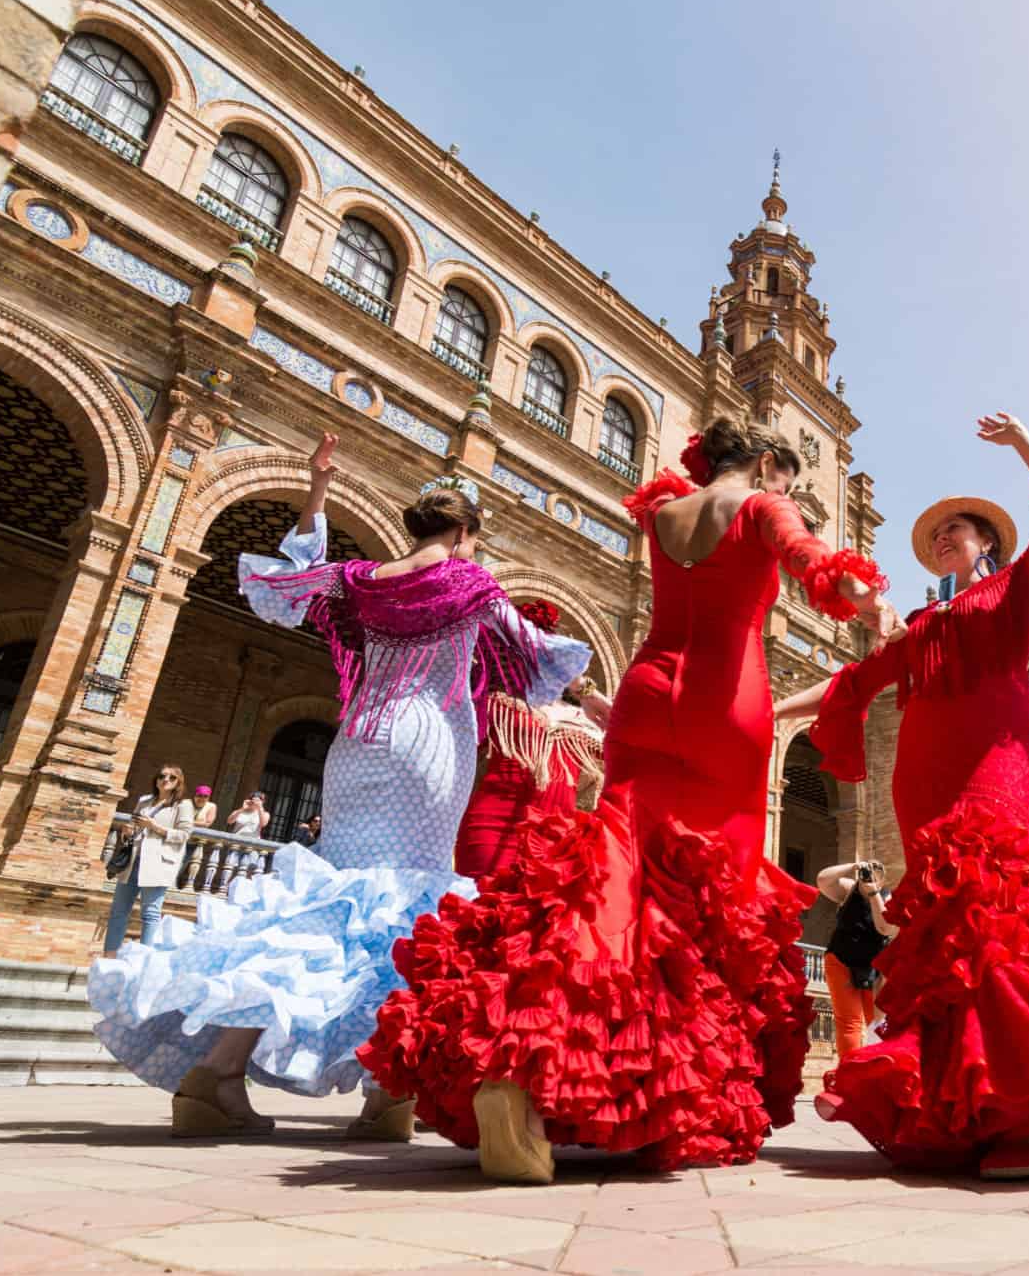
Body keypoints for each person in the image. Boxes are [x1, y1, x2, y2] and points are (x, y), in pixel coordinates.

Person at [362, 419, 896, 1183]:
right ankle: (656, 1087)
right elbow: (812, 560)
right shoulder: (761, 506)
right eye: (786, 480)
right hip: (725, 707)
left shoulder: (664, 512)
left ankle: (520, 1065)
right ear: (770, 465)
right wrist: (861, 595)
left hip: (647, 692)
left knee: (610, 877)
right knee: (709, 904)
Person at [88, 433, 591, 1141]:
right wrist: (591, 699)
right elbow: (531, 653)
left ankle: (218, 1073)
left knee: (326, 902)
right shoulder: (470, 582)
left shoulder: (362, 580)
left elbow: (294, 577)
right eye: (474, 538)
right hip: (426, 745)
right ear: (465, 532)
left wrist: (318, 488)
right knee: (410, 909)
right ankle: (386, 1094)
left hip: (355, 744)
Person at [778, 412, 1029, 1177]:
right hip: (921, 784)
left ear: (987, 543)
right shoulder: (924, 621)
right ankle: (974, 1109)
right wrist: (766, 710)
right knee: (948, 944)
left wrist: (1025, 438)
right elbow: (851, 684)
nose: (943, 541)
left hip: (997, 765)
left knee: (988, 915)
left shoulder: (1016, 589)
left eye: (957, 531)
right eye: (936, 536)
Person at [454, 609, 613, 879]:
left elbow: (634, 742)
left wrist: (586, 690)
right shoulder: (498, 704)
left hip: (555, 843)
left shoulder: (585, 722)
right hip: (490, 826)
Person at [103, 766, 196, 956]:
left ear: (179, 782)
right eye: (162, 776)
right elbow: (133, 825)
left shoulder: (182, 805)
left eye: (172, 778)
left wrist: (154, 827)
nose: (165, 780)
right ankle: (109, 956)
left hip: (158, 863)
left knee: (150, 913)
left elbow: (184, 835)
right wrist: (127, 831)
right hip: (133, 861)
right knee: (118, 911)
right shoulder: (144, 801)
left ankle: (144, 959)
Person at [817, 859, 897, 1059]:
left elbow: (884, 927)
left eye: (875, 872)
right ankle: (849, 1071)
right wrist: (853, 866)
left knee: (877, 1021)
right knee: (849, 1022)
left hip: (874, 967)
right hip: (841, 959)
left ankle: (877, 1066)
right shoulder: (849, 889)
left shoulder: (887, 898)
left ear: (882, 879)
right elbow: (823, 880)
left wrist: (873, 893)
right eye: (867, 871)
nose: (870, 875)